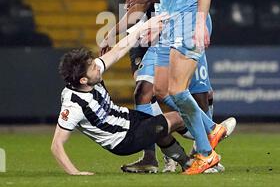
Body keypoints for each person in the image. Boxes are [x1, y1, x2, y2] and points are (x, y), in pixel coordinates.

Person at [51, 16, 227, 175]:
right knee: (178, 117)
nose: (98, 66)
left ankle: (189, 163)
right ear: (83, 80)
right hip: (123, 139)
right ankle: (207, 146)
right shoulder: (73, 104)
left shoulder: (90, 75)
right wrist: (75, 173)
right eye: (93, 68)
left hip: (127, 118)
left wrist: (142, 29)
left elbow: (119, 50)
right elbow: (56, 145)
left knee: (160, 127)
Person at [131, 0, 222, 175]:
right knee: (160, 91)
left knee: (179, 90)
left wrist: (199, 23)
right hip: (167, 26)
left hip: (187, 21)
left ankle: (206, 153)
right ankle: (211, 128)